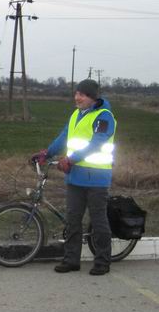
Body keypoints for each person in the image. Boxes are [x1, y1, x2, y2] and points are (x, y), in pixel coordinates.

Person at [31, 79, 116, 276]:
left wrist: (71, 159)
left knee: (98, 220)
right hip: (76, 177)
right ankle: (71, 260)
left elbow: (97, 143)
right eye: (76, 93)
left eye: (83, 94)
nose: (77, 97)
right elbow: (64, 136)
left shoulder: (104, 117)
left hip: (96, 177)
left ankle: (103, 262)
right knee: (72, 219)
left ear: (93, 98)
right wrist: (47, 153)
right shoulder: (77, 114)